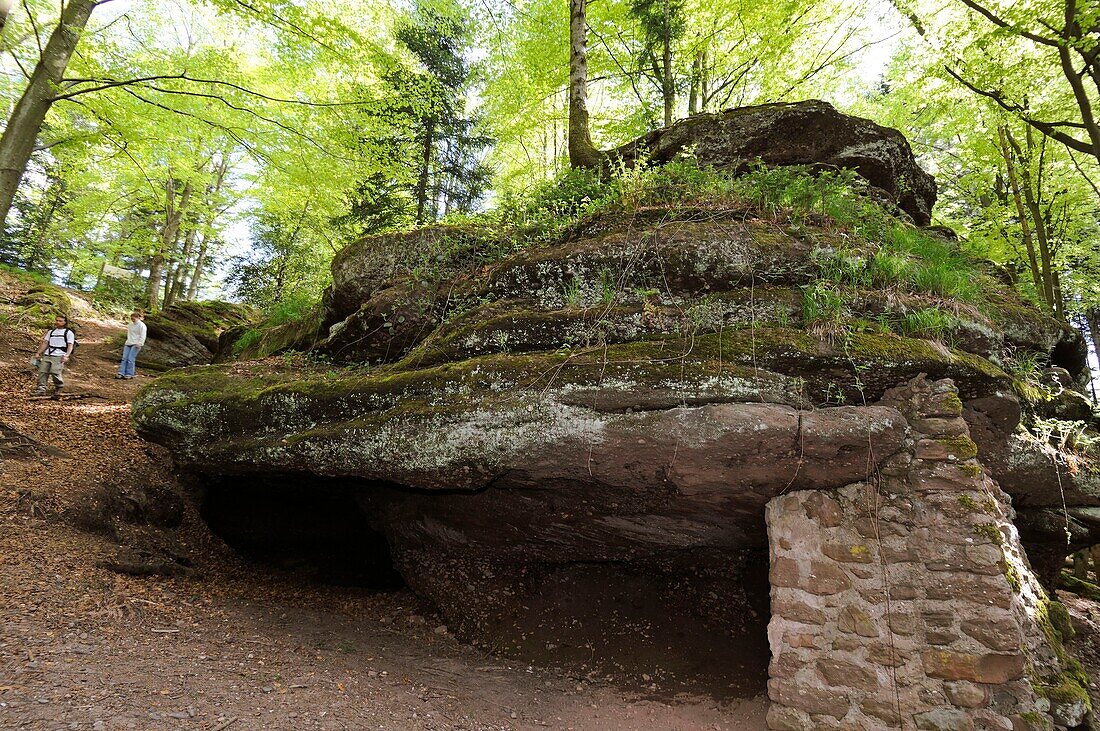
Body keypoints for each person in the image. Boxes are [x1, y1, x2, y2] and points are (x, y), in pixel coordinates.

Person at [32, 314, 75, 396]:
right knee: (42, 371)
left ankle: (59, 387)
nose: (57, 322)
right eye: (57, 320)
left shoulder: (68, 333)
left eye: (60, 321)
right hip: (48, 354)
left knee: (55, 372)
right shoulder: (51, 332)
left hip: (60, 355)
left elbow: (70, 345)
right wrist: (38, 353)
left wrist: (66, 356)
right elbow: (45, 343)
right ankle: (41, 389)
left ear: (65, 322)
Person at [117, 310, 147, 380]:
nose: (132, 320)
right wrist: (128, 341)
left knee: (130, 359)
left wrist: (140, 343)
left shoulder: (142, 325)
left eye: (134, 319)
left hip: (136, 344)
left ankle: (129, 374)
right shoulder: (130, 324)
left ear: (137, 318)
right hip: (128, 343)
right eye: (131, 319)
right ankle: (121, 373)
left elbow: (143, 335)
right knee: (124, 358)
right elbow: (129, 334)